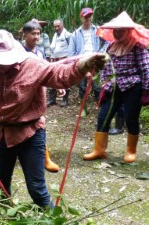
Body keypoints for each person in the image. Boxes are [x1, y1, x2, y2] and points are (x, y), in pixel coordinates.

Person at [0, 30, 106, 207]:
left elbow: (61, 75)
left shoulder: (33, 65)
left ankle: (53, 220)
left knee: (37, 190)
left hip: (30, 134)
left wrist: (83, 65)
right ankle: (4, 218)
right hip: (2, 136)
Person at [83, 11, 149, 163]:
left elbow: (146, 69)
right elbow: (104, 65)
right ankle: (99, 150)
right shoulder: (110, 46)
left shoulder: (137, 47)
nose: (117, 33)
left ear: (128, 31)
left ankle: (131, 151)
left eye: (121, 30)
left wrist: (146, 90)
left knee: (131, 117)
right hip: (113, 87)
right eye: (115, 30)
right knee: (103, 115)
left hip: (133, 86)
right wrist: (104, 84)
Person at [22, 20, 60, 173]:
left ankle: (44, 157)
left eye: (38, 34)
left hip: (39, 94)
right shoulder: (20, 53)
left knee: (39, 124)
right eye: (33, 34)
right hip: (25, 95)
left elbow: (46, 72)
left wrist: (58, 86)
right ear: (25, 35)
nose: (36, 37)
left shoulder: (40, 51)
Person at [68, 8, 103, 117]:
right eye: (85, 16)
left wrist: (100, 52)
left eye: (90, 16)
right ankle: (84, 109)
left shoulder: (98, 30)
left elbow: (108, 42)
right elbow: (71, 53)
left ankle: (100, 110)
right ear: (81, 18)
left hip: (95, 63)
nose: (88, 18)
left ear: (92, 17)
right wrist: (77, 64)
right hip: (82, 64)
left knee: (97, 87)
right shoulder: (75, 34)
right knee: (82, 88)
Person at [48, 19, 72, 107]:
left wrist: (70, 62)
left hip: (64, 61)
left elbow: (72, 48)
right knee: (53, 79)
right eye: (55, 26)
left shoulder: (68, 35)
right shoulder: (54, 36)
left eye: (58, 26)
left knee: (65, 79)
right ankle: (52, 99)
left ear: (62, 25)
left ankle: (64, 100)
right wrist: (51, 60)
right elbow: (52, 49)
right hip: (55, 61)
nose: (56, 28)